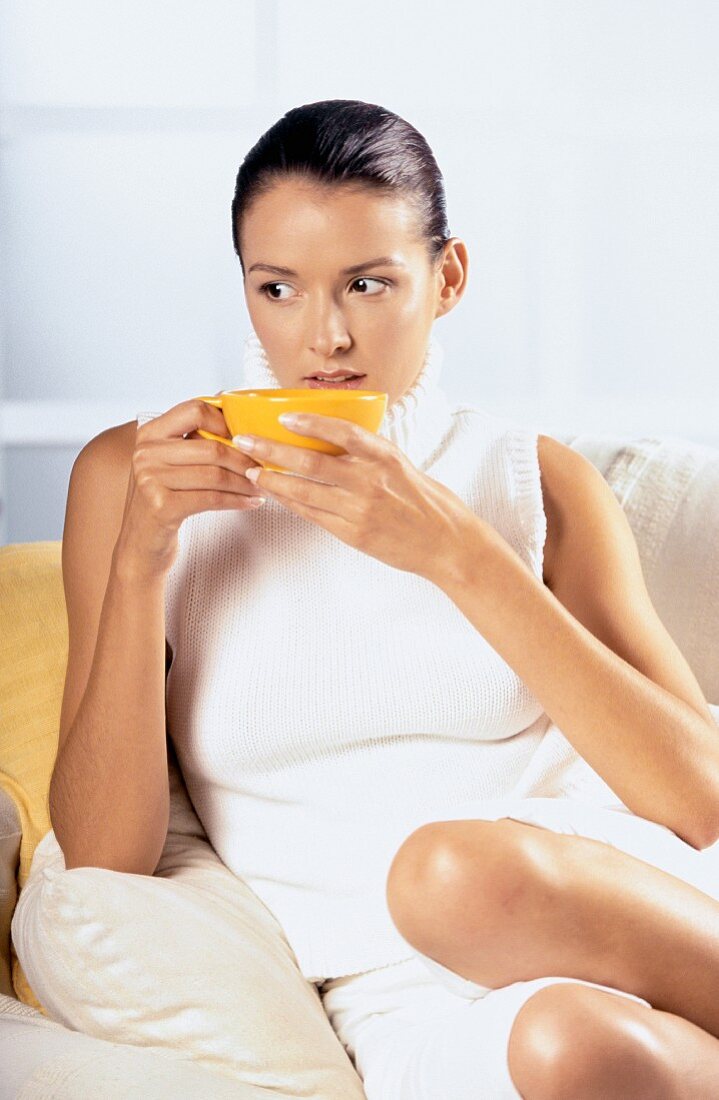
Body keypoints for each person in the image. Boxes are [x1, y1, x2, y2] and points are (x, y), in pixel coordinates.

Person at [45, 99, 719, 1097]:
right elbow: (103, 852)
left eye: (367, 283)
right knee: (571, 1045)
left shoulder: (534, 479)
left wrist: (456, 552)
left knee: (450, 871)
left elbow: (697, 795)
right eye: (277, 287)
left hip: (621, 898)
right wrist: (142, 560)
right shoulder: (137, 478)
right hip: (393, 989)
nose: (323, 335)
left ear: (444, 279)